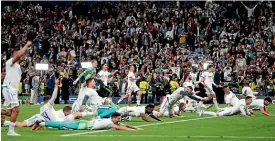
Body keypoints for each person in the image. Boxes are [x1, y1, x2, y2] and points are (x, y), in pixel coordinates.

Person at [2, 41, 32, 136]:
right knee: (16, 110)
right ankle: (11, 132)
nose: (20, 54)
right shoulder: (9, 62)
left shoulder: (18, 66)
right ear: (13, 54)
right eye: (17, 52)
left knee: (11, 112)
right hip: (8, 88)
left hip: (12, 90)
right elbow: (19, 55)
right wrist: (26, 45)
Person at [32, 112, 140, 131]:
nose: (119, 120)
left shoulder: (110, 121)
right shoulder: (109, 123)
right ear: (114, 118)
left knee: (62, 126)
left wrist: (135, 127)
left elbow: (124, 125)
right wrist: (135, 131)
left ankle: (41, 124)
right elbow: (121, 127)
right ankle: (41, 123)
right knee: (62, 125)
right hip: (83, 126)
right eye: (118, 118)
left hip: (85, 123)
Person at [3, 106, 72, 127]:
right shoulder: (61, 114)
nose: (69, 114)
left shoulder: (61, 112)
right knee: (21, 125)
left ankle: (5, 122)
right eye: (69, 112)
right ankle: (4, 122)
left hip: (41, 119)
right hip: (39, 118)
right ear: (66, 111)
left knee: (23, 124)